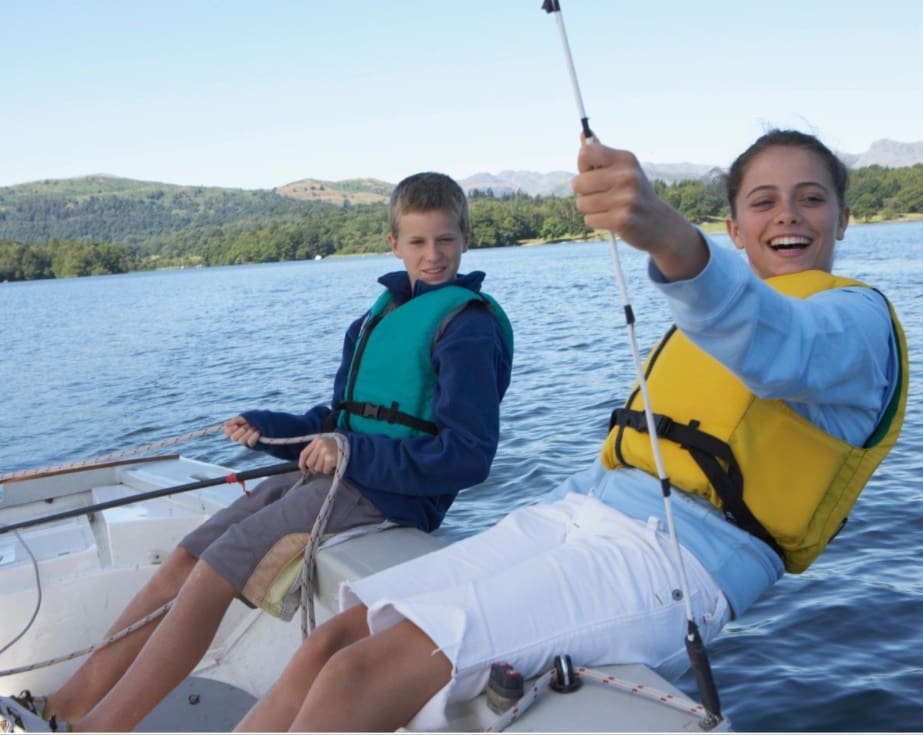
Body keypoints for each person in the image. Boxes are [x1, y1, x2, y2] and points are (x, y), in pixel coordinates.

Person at [229, 130, 908, 733]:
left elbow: (779, 344)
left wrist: (667, 234)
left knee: (363, 674)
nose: (785, 213)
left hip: (676, 559)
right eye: (761, 200)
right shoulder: (721, 307)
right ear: (733, 226)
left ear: (844, 218)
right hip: (583, 509)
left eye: (809, 198)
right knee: (333, 642)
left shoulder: (852, 323)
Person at [1, 172, 514, 733]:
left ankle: (99, 728)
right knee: (186, 557)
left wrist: (349, 452)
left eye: (445, 240)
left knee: (211, 575)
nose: (433, 255)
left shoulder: (467, 329)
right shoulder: (378, 316)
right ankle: (62, 706)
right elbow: (338, 419)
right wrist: (268, 430)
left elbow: (467, 457)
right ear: (394, 244)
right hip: (339, 477)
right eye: (418, 242)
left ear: (466, 238)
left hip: (388, 494)